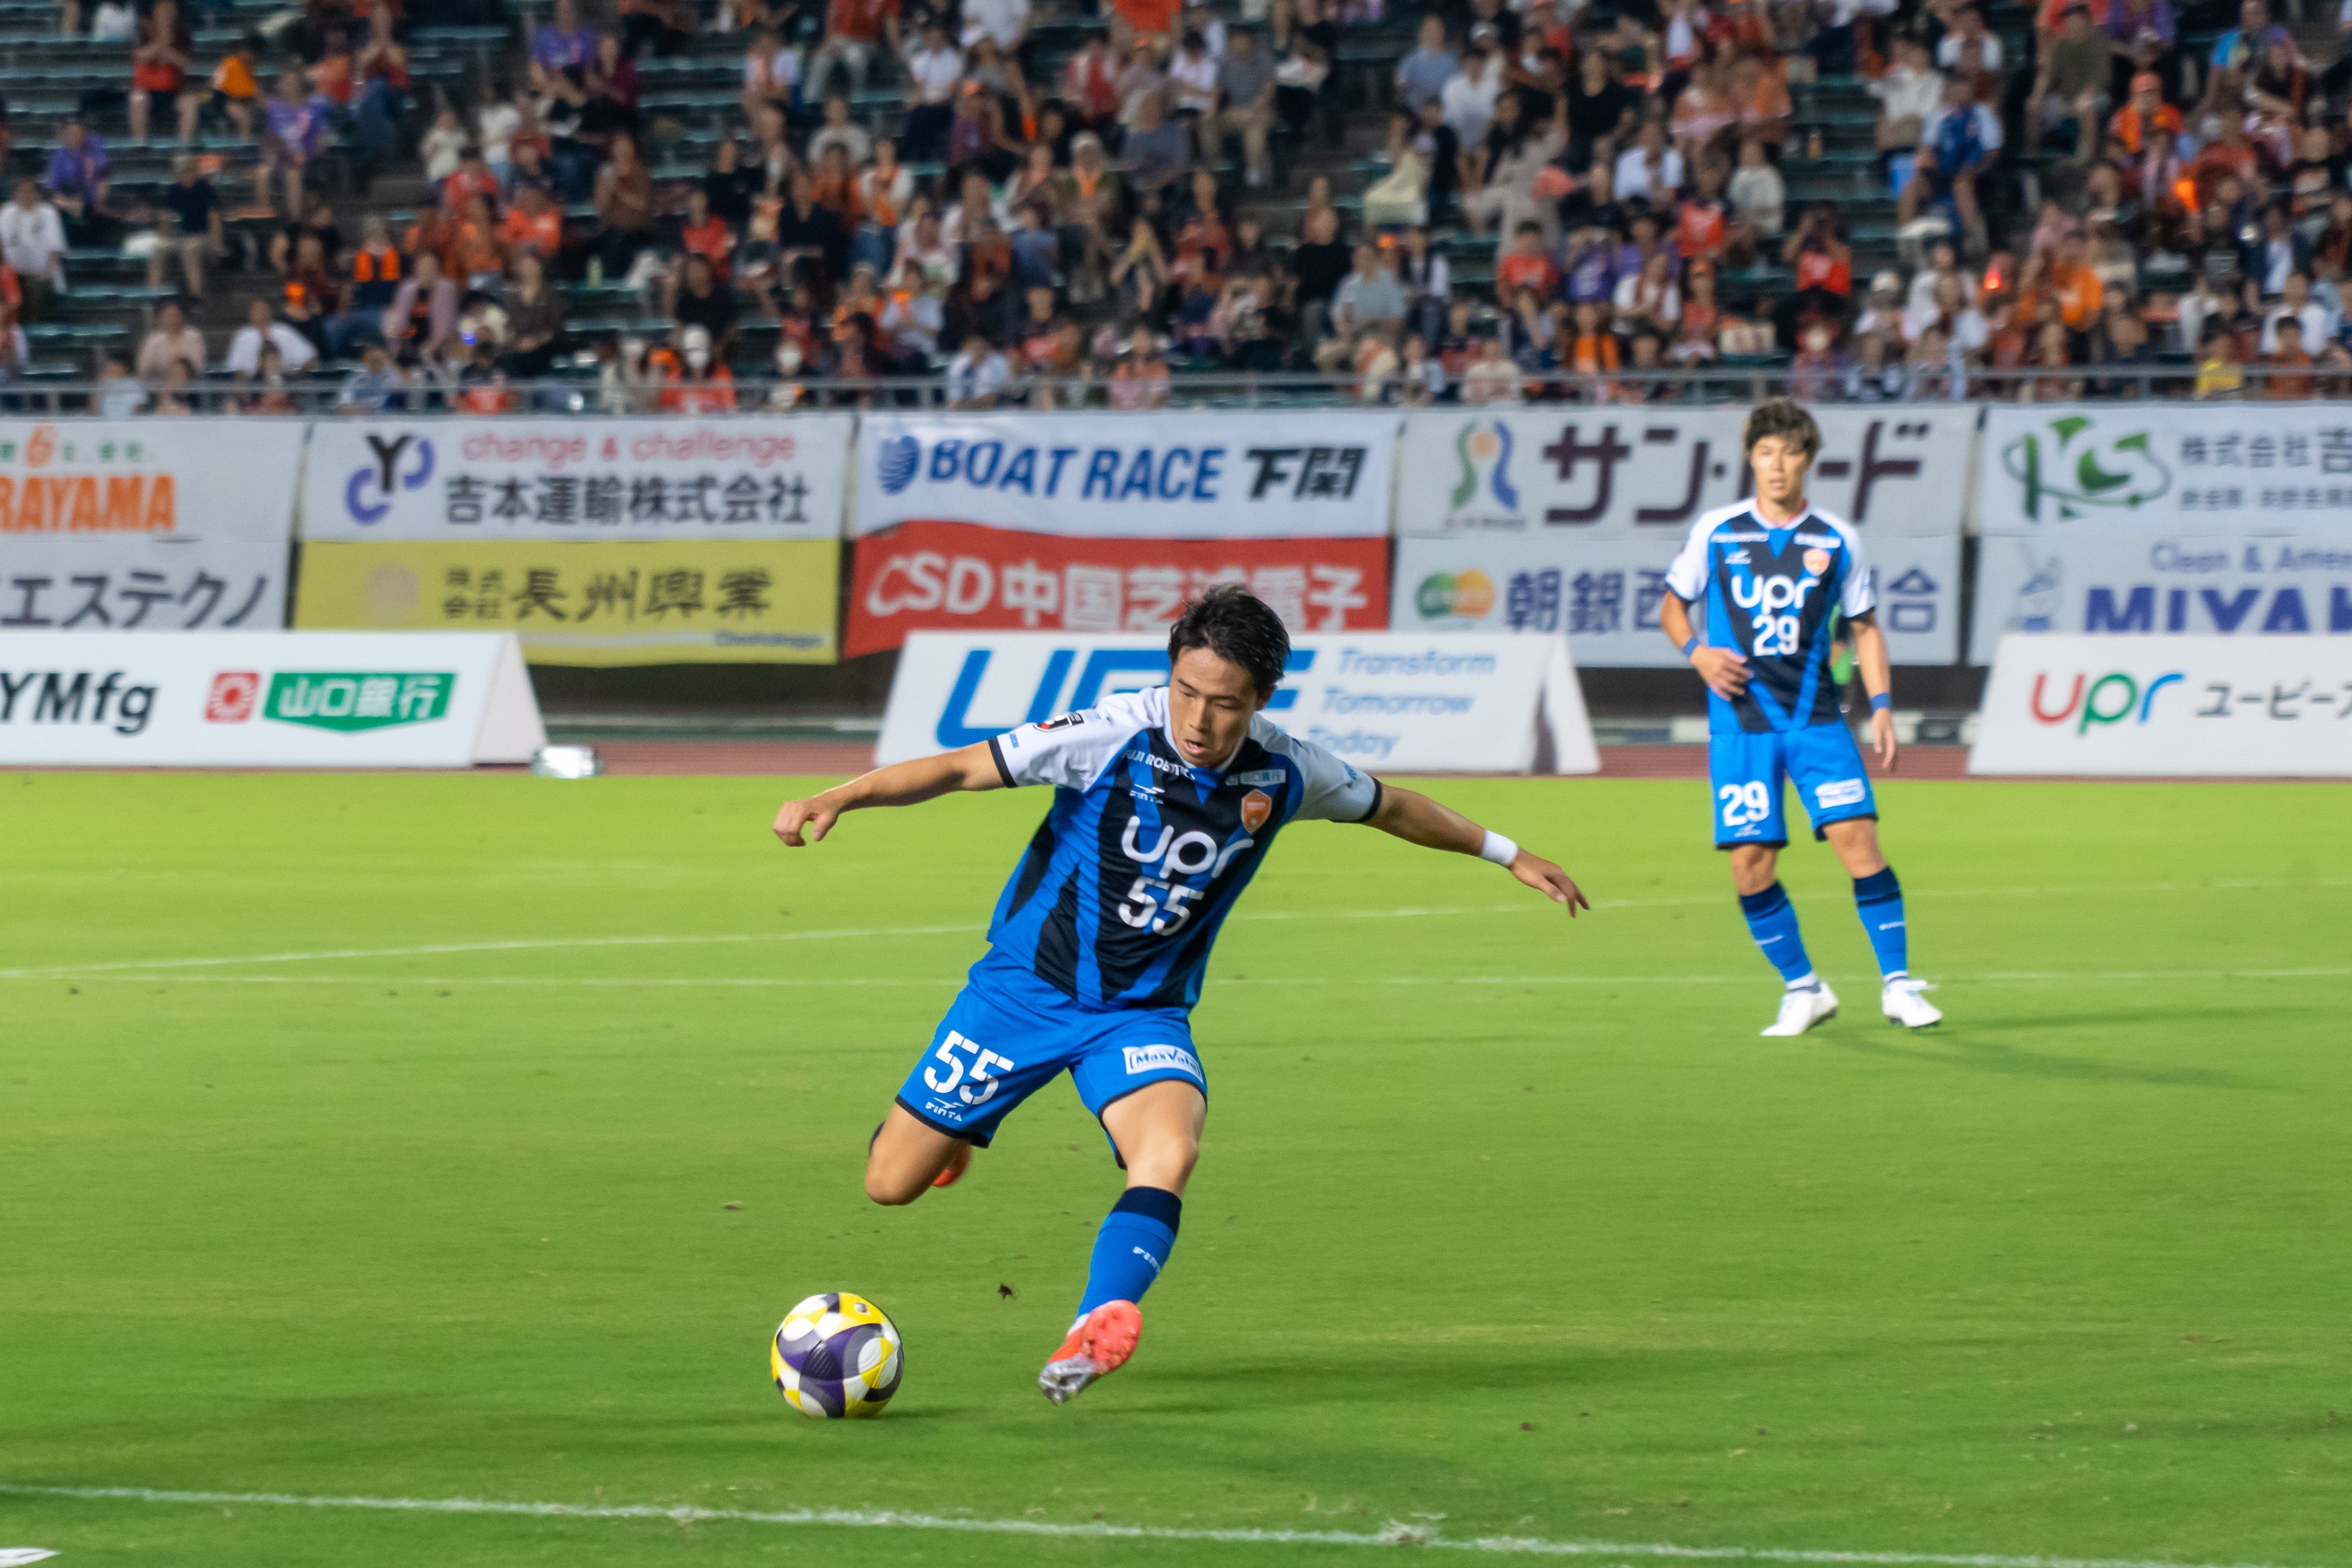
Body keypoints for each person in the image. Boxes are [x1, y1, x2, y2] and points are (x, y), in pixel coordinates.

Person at [768, 588, 1586, 1403]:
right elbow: (959, 766)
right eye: (1186, 691)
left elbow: (1393, 806)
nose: (1198, 719)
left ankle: (1094, 1322)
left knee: (1171, 1152)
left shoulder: (1288, 769)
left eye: (1224, 703)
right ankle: (950, 1139)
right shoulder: (1109, 734)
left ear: (1261, 699)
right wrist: (838, 795)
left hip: (1141, 1017)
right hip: (1021, 996)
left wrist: (1508, 853)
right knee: (889, 1183)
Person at [1655, 399, 1941, 1038]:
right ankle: (1803, 988)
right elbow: (1672, 606)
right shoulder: (1717, 530)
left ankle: (1899, 985)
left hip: (1817, 720)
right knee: (1749, 864)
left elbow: (1864, 627)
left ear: (1807, 459)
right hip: (1741, 725)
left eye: (1788, 452)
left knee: (1858, 841)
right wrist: (1697, 653)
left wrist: (1883, 705)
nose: (1777, 465)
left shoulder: (1837, 538)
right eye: (1765, 452)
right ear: (1750, 459)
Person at [227, 296, 318, 378]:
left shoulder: (284, 331)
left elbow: (310, 356)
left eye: (263, 309)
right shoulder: (243, 335)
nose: (260, 313)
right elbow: (236, 369)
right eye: (256, 309)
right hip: (253, 384)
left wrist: (298, 377)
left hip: (287, 381)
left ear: (269, 311)